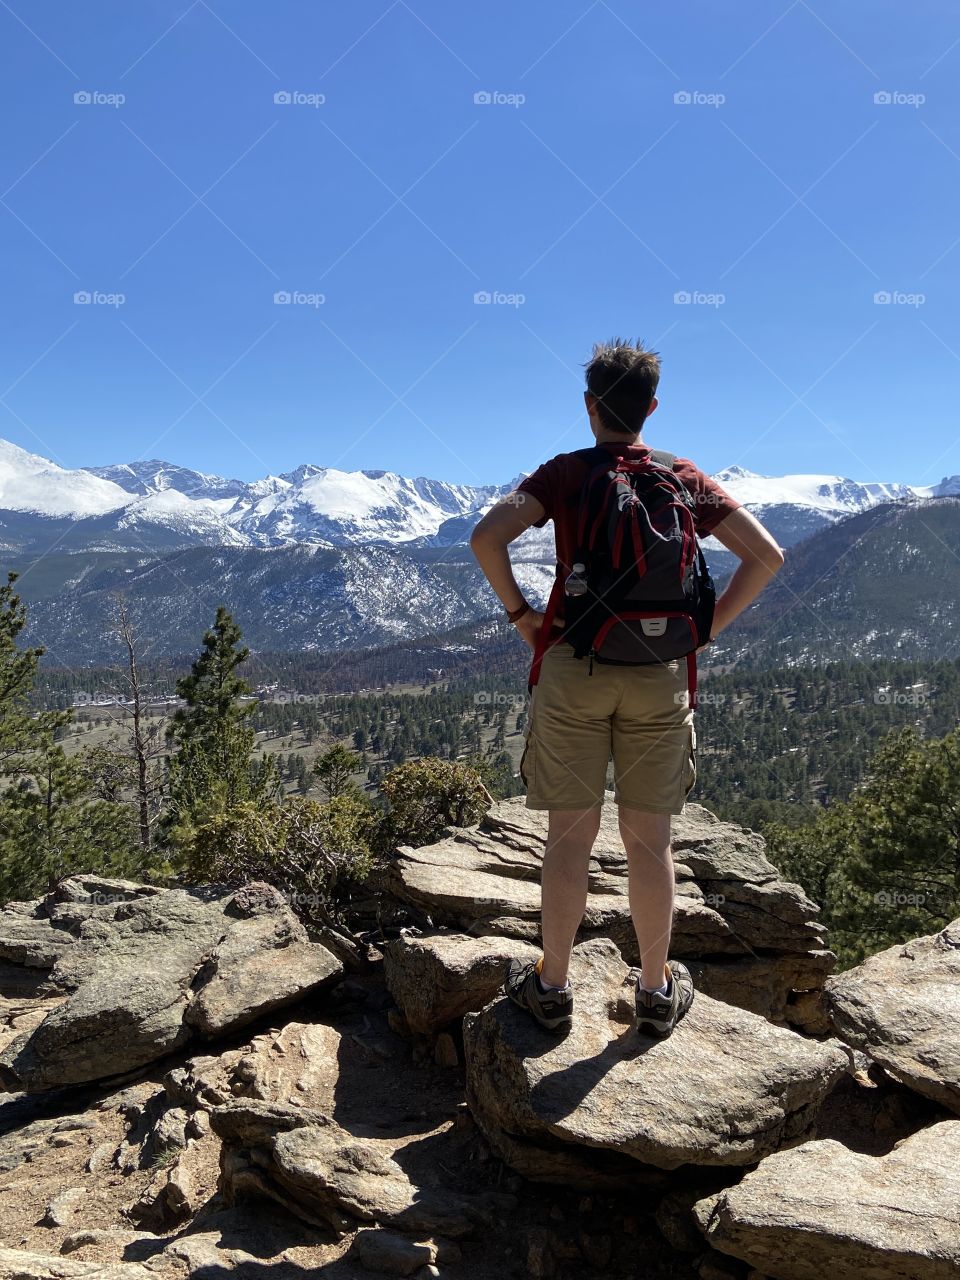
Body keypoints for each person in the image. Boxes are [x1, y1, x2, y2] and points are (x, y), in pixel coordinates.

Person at [469, 339, 784, 1038]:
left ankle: (551, 986)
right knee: (650, 843)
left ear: (590, 408)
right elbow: (768, 555)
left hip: (574, 668)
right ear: (652, 409)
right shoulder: (683, 477)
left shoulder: (561, 475)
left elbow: (485, 537)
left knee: (568, 839)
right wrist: (706, 629)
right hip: (661, 678)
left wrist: (524, 617)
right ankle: (655, 989)